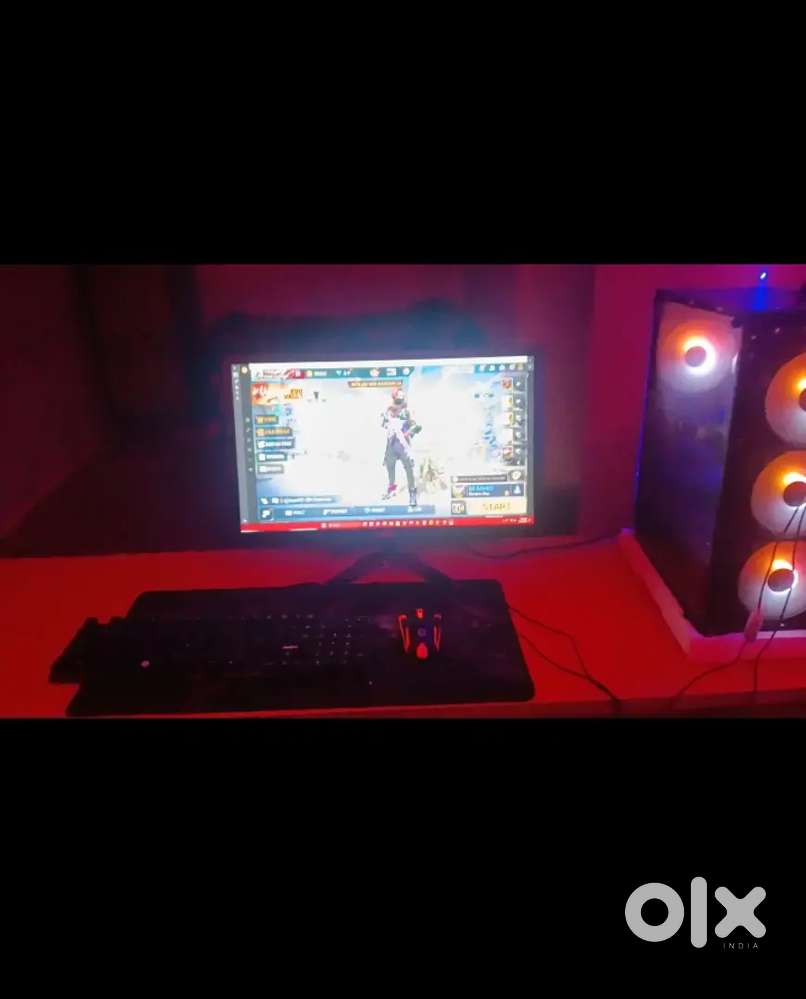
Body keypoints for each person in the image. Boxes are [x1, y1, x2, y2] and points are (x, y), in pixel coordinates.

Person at [381, 387, 421, 505]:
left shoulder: (407, 411)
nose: (401, 397)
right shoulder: (388, 410)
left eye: (402, 396)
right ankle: (391, 490)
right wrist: (386, 420)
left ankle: (412, 494)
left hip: (403, 445)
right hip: (391, 444)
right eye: (398, 395)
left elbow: (417, 426)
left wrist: (409, 432)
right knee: (390, 467)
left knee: (408, 468)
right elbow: (385, 425)